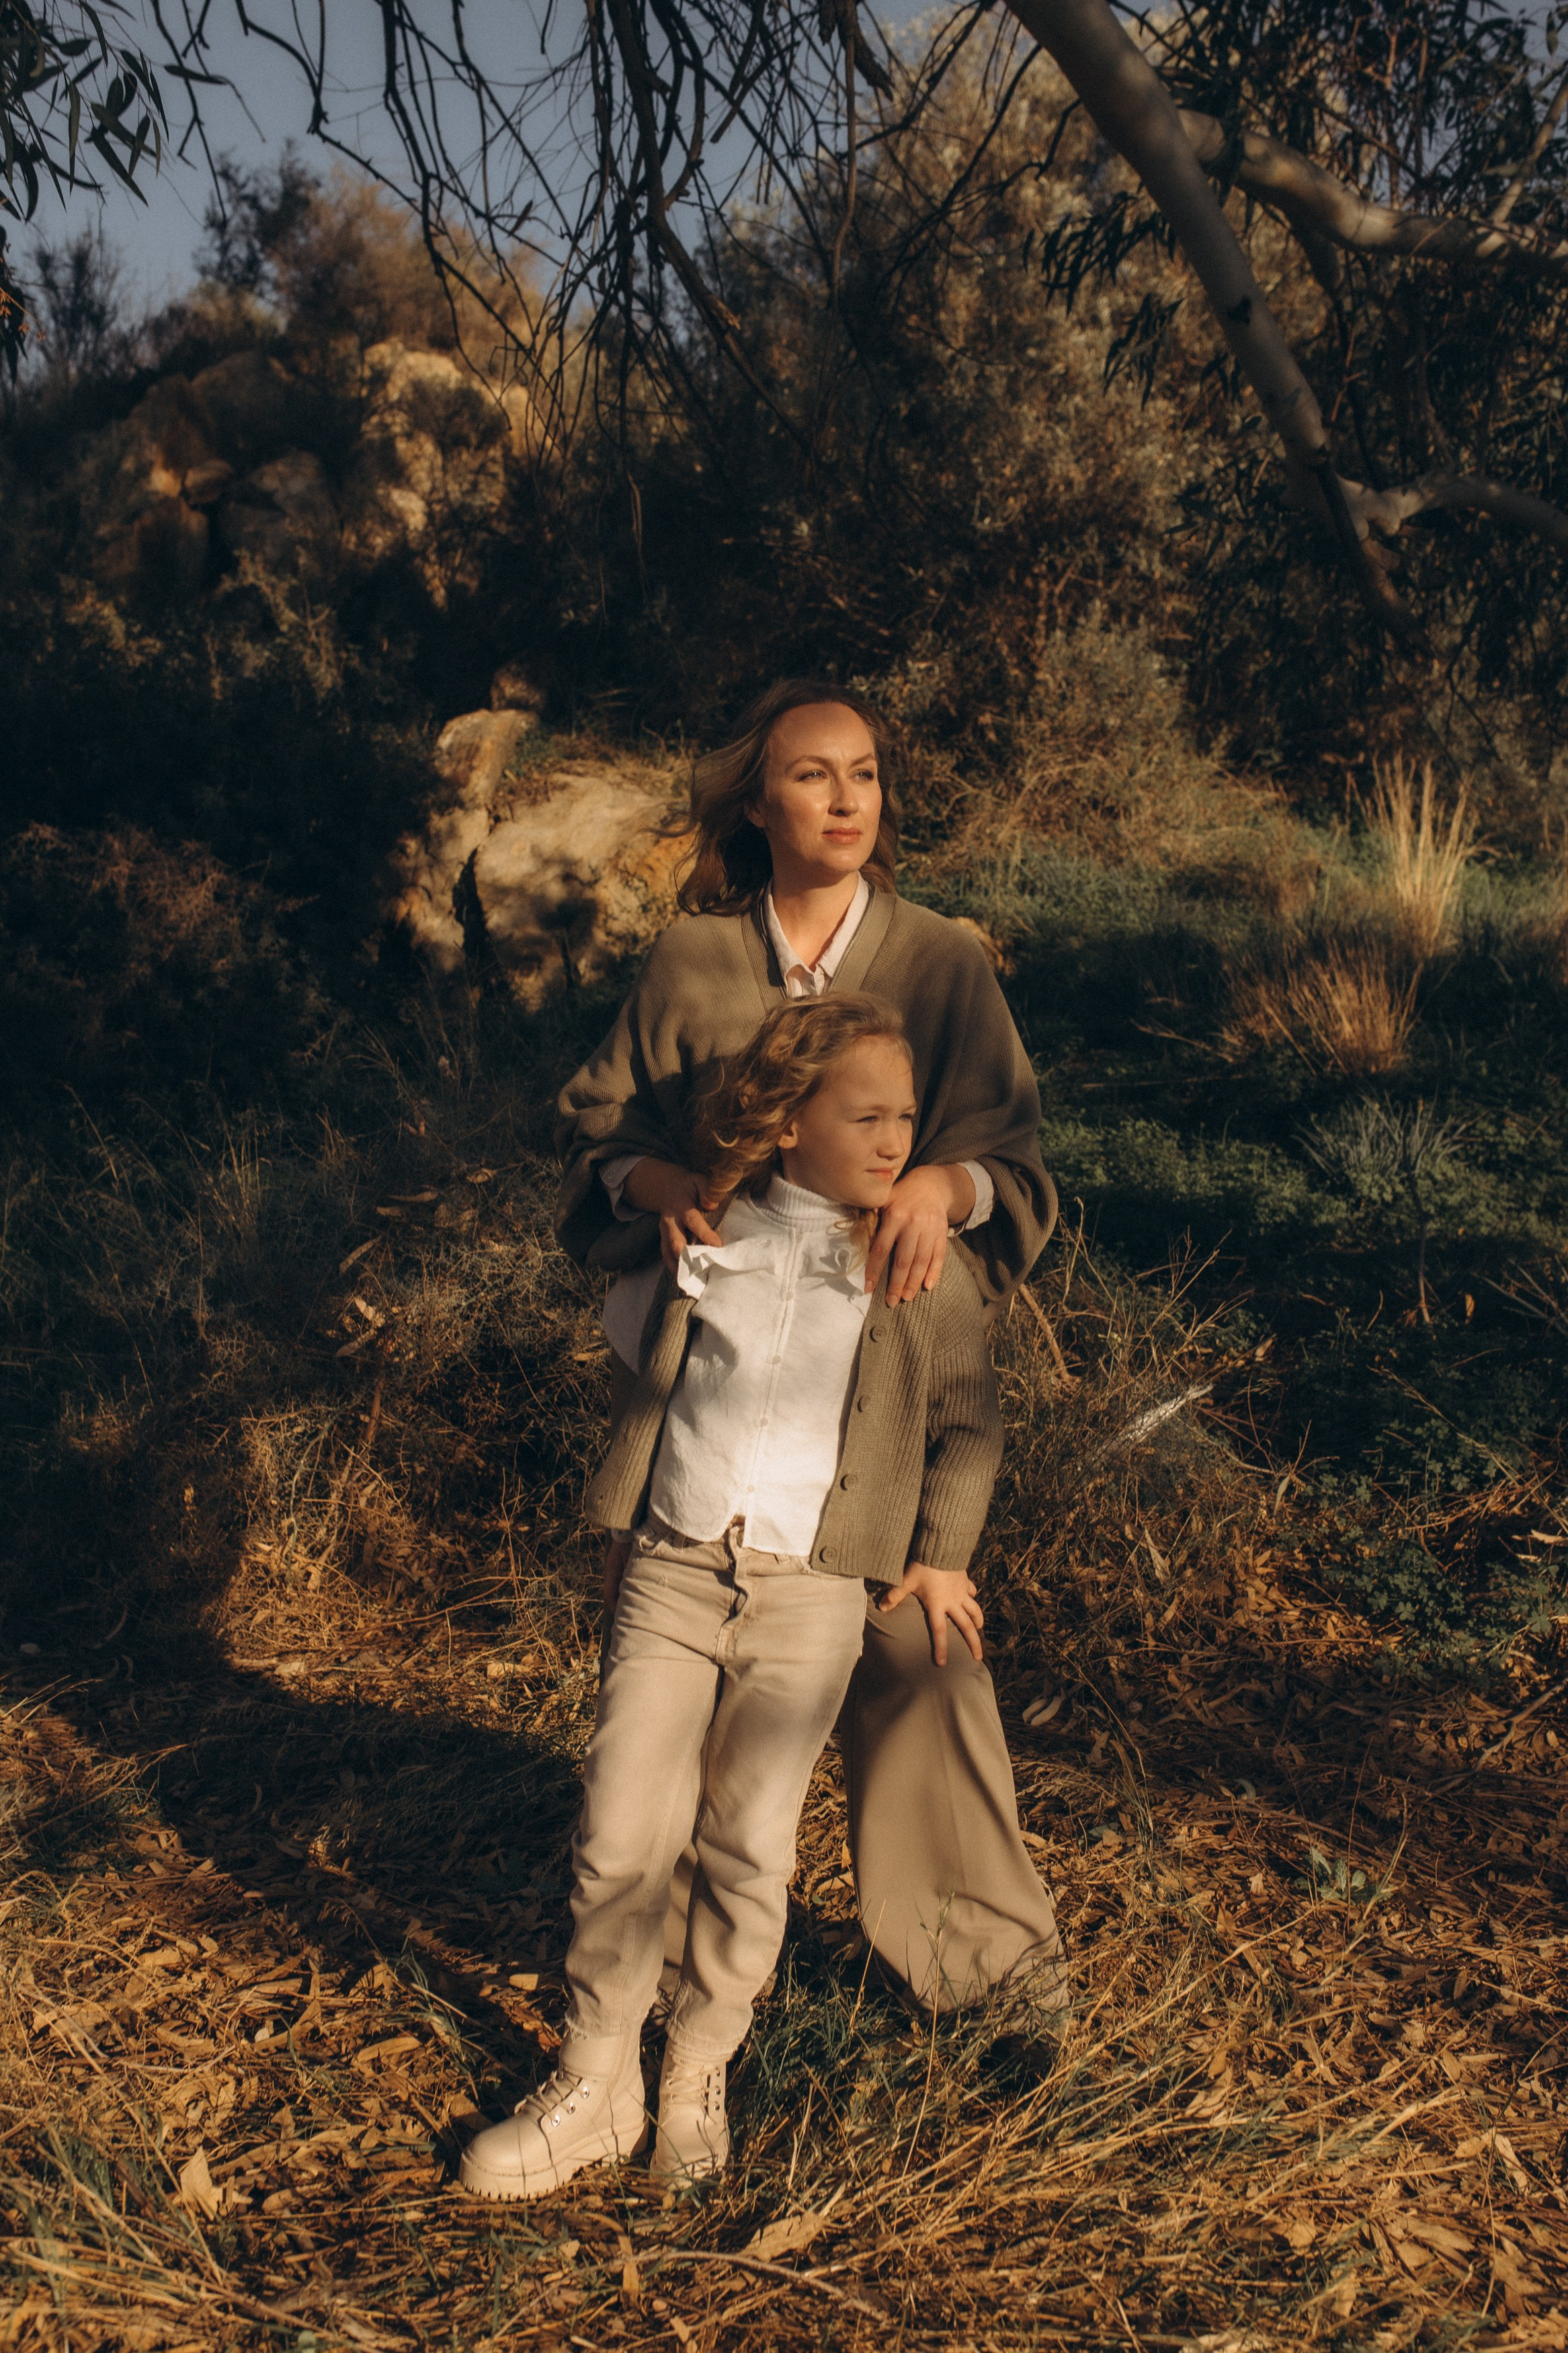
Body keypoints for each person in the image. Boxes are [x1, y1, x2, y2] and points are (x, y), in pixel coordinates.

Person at [555, 678, 1067, 2024]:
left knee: (919, 1646)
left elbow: (1018, 1169)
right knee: (674, 1688)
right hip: (716, 1397)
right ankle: (660, 1991)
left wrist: (941, 1188)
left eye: (866, 774)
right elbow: (599, 1136)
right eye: (812, 775)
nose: (847, 801)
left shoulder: (940, 962)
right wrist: (661, 1186)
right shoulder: (692, 962)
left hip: (881, 1386)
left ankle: (985, 1978)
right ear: (756, 803)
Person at [460, 996, 1004, 2199]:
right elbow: (641, 1365)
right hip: (672, 1565)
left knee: (748, 1846)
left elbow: (968, 1421)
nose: (893, 1141)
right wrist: (624, 1522)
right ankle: (594, 2078)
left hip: (810, 1591)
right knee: (619, 1829)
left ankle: (697, 2072)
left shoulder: (918, 1261)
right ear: (788, 1119)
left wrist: (939, 1553)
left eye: (905, 1118)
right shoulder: (708, 1226)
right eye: (864, 1117)